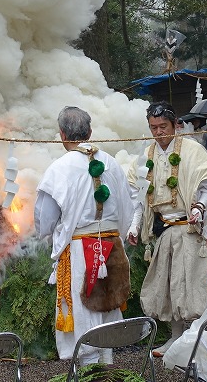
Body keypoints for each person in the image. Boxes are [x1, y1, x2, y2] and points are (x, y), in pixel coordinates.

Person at [35, 107, 135, 364]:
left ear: (61, 135)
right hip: (112, 244)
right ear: (90, 132)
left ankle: (88, 371)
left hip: (80, 248)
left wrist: (50, 235)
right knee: (106, 303)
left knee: (83, 309)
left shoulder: (59, 168)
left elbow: (45, 218)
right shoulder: (111, 162)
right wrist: (115, 236)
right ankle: (107, 364)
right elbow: (127, 207)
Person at [127, 101, 207, 355]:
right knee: (170, 286)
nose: (158, 132)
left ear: (175, 124)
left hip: (191, 229)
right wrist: (135, 226)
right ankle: (176, 338)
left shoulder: (192, 150)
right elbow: (138, 198)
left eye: (163, 126)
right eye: (153, 127)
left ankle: (204, 338)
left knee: (196, 285)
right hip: (165, 230)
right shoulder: (145, 156)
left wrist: (198, 207)